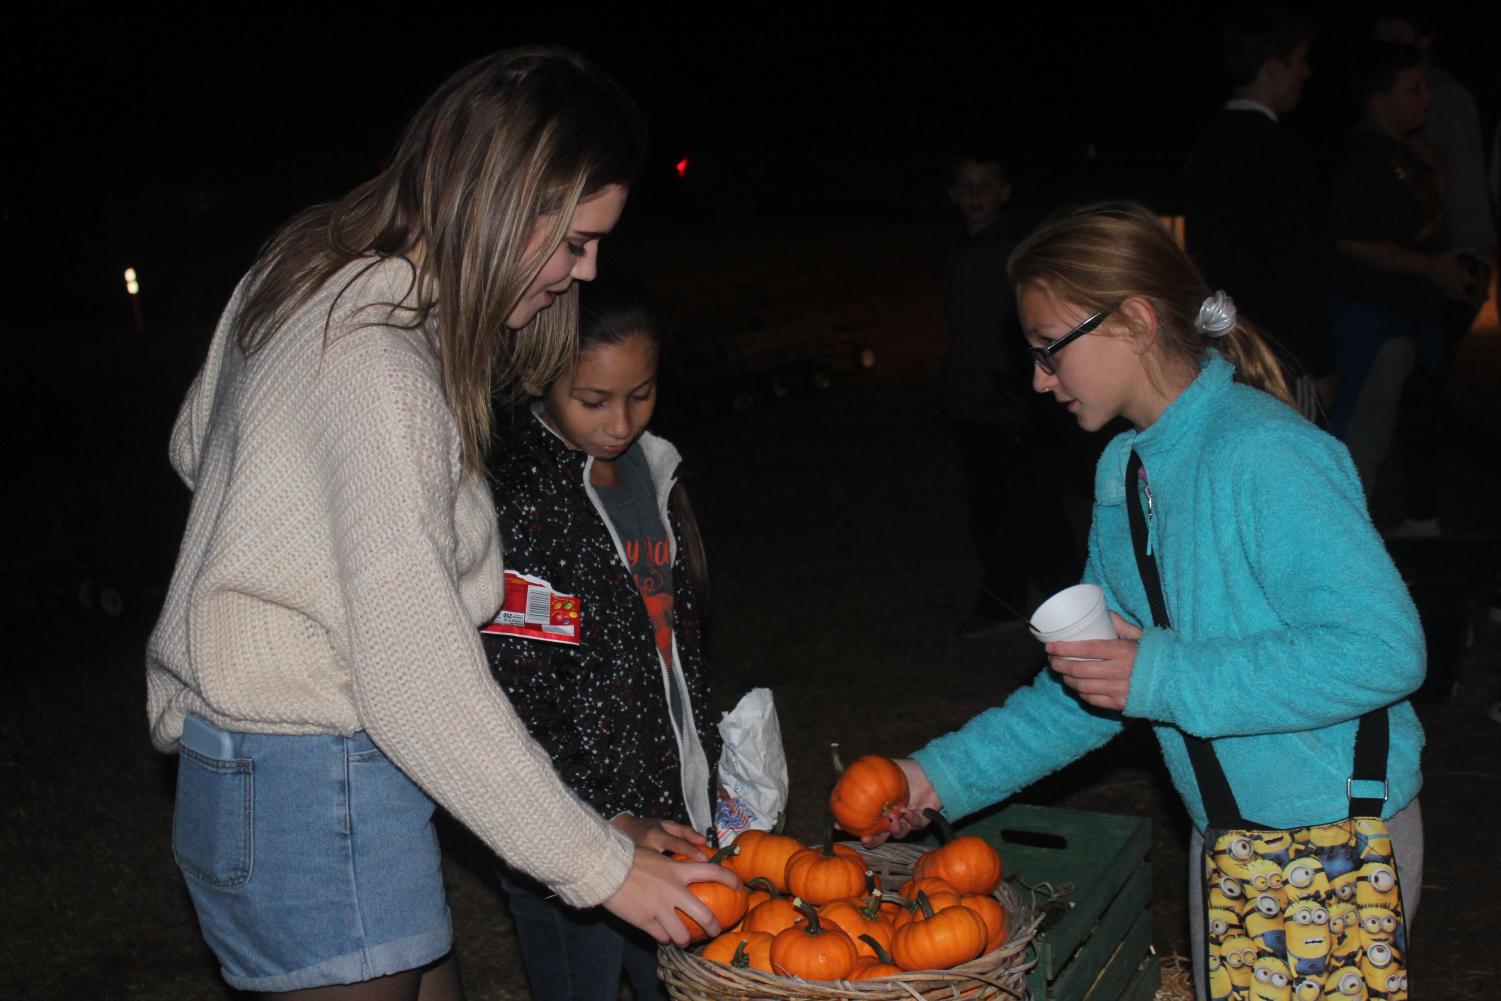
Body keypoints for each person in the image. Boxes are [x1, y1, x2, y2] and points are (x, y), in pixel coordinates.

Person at [145, 48, 735, 1000]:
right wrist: (603, 866)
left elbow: (194, 444)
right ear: (506, 201)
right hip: (311, 774)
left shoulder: (306, 266)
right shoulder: (382, 368)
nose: (583, 271)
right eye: (575, 240)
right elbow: (415, 676)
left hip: (297, 767)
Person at [868, 203, 1426, 1000]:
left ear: (1131, 320)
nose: (1037, 378)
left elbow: (1381, 649)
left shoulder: (1264, 455)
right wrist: (933, 778)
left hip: (1333, 841)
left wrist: (1159, 676)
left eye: (1048, 351)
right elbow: (1093, 687)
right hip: (1229, 839)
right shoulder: (1124, 474)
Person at [481, 272, 721, 1001]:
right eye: (594, 400)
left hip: (666, 814)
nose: (621, 421)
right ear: (541, 380)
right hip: (568, 828)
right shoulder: (524, 502)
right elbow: (518, 688)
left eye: (641, 393)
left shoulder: (654, 471)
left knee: (681, 985)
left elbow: (676, 653)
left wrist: (706, 764)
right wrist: (596, 812)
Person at [940, 150, 1079, 636]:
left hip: (1019, 408)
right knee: (989, 512)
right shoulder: (958, 250)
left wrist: (1023, 390)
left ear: (1004, 190)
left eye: (986, 185)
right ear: (953, 194)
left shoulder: (1018, 251)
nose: (976, 196)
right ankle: (1003, 602)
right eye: (966, 186)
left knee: (1038, 512)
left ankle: (1079, 612)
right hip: (971, 406)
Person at [1327, 41, 1473, 496]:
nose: (1427, 98)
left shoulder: (1410, 155)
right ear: (1379, 100)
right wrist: (1429, 267)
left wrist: (1441, 181)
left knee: (1380, 432)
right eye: (1413, 88)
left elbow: (1425, 228)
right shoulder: (1364, 157)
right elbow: (1352, 240)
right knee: (1360, 436)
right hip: (1372, 322)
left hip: (1401, 320)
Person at [1185, 7, 1334, 421]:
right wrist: (1319, 363)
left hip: (1221, 348)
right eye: (1300, 62)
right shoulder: (1282, 152)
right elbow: (1301, 265)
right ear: (1273, 68)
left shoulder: (1207, 145)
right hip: (1280, 354)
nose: (1306, 74)